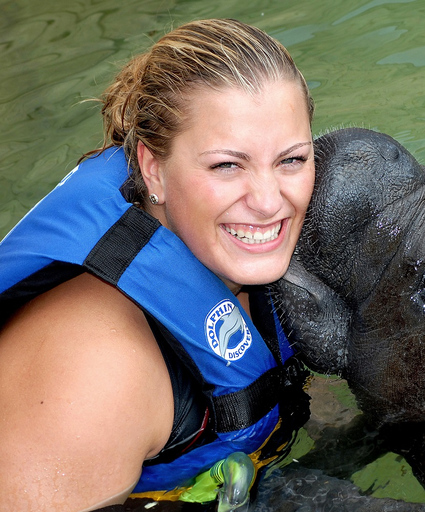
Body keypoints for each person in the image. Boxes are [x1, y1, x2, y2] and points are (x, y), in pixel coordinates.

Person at [0, 18, 315, 510]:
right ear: (154, 170)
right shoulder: (94, 367)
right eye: (227, 165)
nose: (270, 201)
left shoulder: (248, 262)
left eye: (292, 160)